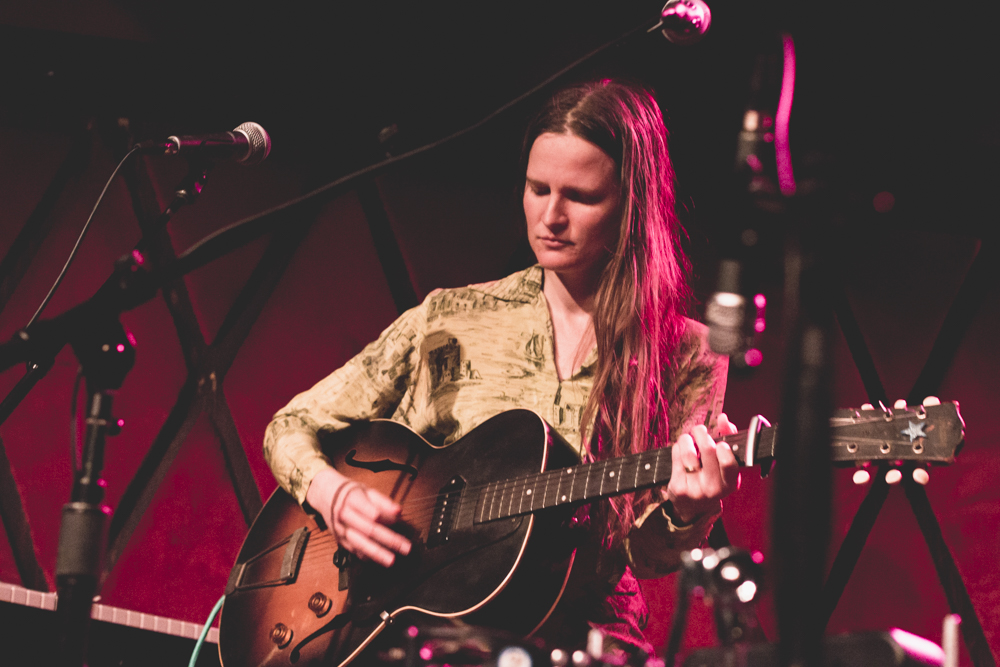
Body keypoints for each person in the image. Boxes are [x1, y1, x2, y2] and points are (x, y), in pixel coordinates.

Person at [263, 79, 740, 658]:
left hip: (581, 640)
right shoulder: (449, 316)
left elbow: (646, 557)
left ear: (632, 205)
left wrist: (692, 509)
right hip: (424, 638)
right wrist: (334, 495)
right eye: (538, 189)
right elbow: (290, 426)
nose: (551, 216)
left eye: (581, 196)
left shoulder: (685, 351)